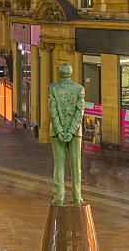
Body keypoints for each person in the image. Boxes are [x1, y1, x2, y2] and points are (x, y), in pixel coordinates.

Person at [48, 63, 86, 205]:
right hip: (75, 133)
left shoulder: (52, 88)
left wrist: (59, 130)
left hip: (57, 132)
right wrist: (71, 131)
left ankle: (59, 197)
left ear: (60, 73)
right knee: (76, 166)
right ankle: (77, 197)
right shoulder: (79, 89)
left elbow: (53, 112)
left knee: (59, 165)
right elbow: (79, 112)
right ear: (71, 73)